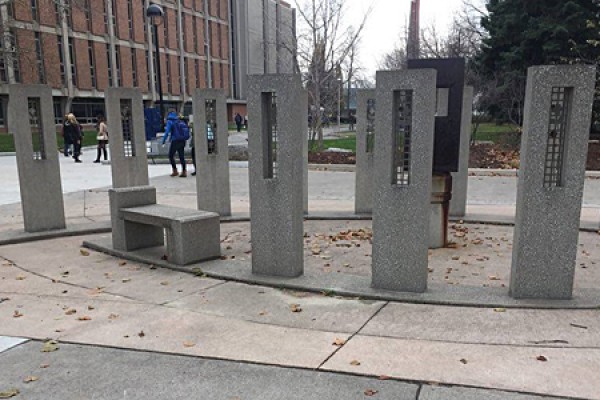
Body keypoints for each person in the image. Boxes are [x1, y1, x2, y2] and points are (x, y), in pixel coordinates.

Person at [161, 111, 190, 177]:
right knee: (181, 156)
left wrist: (163, 140)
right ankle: (184, 171)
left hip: (175, 141)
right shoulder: (179, 121)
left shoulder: (170, 121)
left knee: (171, 155)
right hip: (182, 140)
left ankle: (175, 170)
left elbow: (167, 132)